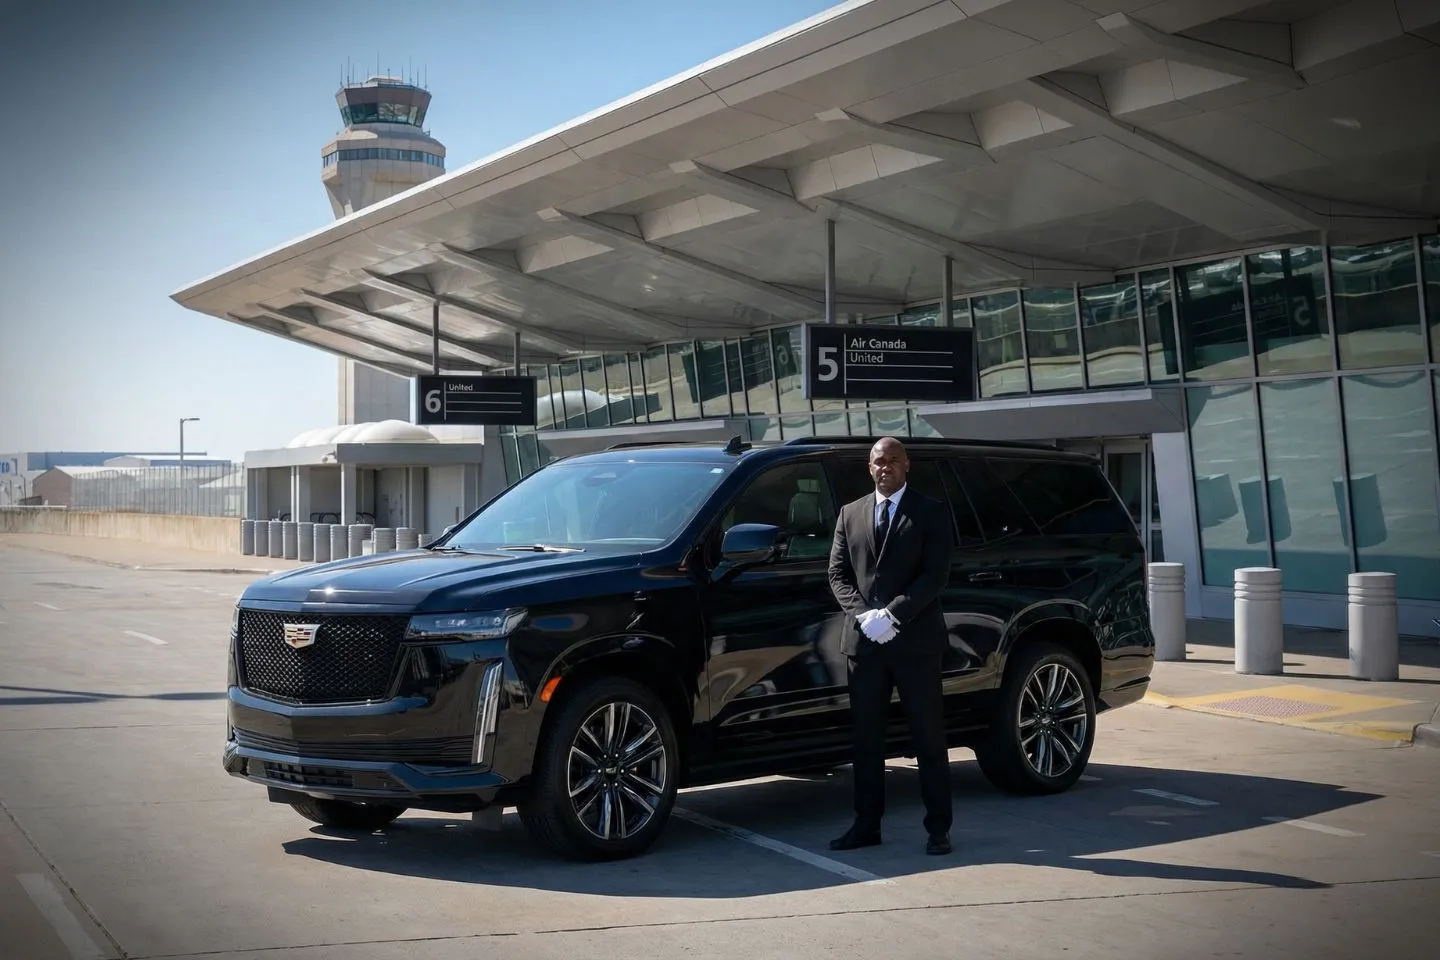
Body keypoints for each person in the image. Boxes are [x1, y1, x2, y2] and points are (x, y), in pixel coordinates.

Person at [826, 437, 955, 855]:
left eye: (894, 461)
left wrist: (893, 615)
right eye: (879, 462)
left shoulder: (931, 512)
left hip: (915, 643)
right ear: (870, 468)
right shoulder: (850, 513)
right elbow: (838, 574)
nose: (886, 467)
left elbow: (934, 576)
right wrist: (864, 616)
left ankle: (939, 828)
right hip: (864, 645)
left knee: (928, 738)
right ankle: (867, 825)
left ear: (907, 465)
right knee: (866, 741)